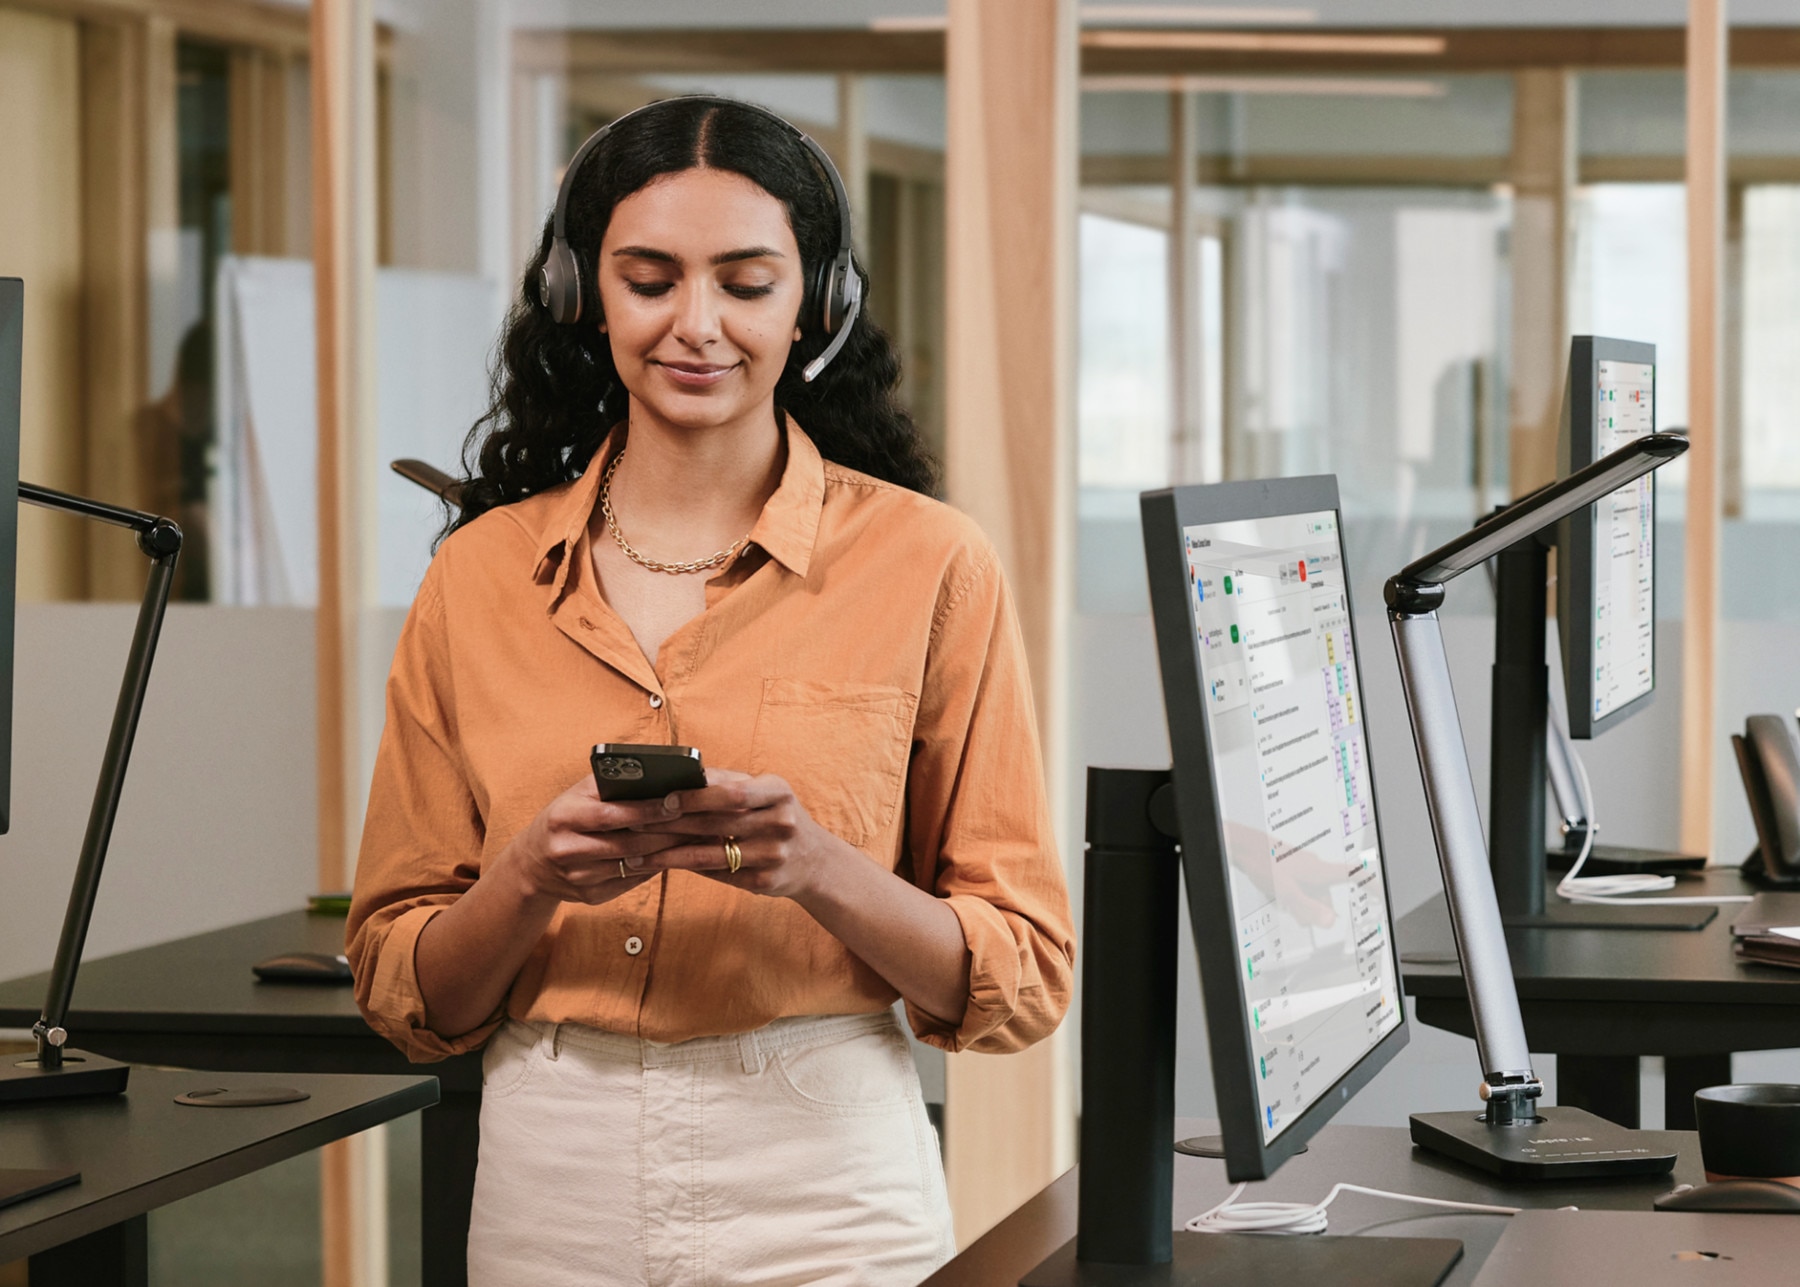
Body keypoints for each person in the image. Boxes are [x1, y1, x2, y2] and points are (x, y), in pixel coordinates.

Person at [346, 95, 1074, 1286]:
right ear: (584, 297)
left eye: (746, 282)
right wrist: (527, 878)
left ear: (816, 304)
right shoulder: (476, 577)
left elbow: (1025, 977)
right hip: (550, 1168)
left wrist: (820, 868)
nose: (698, 325)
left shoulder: (932, 564)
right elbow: (403, 988)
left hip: (827, 1172)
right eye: (650, 280)